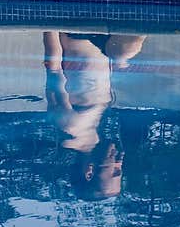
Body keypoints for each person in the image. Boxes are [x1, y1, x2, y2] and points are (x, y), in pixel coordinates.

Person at [42, 28, 146, 199]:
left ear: (89, 172)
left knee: (125, 52)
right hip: (103, 43)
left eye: (115, 172)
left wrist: (50, 24)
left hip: (78, 33)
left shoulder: (70, 130)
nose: (120, 163)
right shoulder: (99, 137)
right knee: (122, 57)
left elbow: (53, 69)